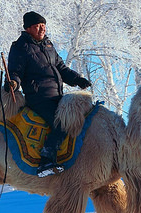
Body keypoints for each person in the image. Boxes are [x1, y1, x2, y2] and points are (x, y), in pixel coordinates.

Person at [5, 11, 92, 177]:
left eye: (44, 26)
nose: (42, 29)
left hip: (57, 96)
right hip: (39, 98)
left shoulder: (48, 45)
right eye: (38, 26)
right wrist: (13, 84)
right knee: (63, 122)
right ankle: (45, 159)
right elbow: (15, 71)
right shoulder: (20, 47)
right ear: (28, 28)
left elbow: (61, 68)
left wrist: (77, 80)